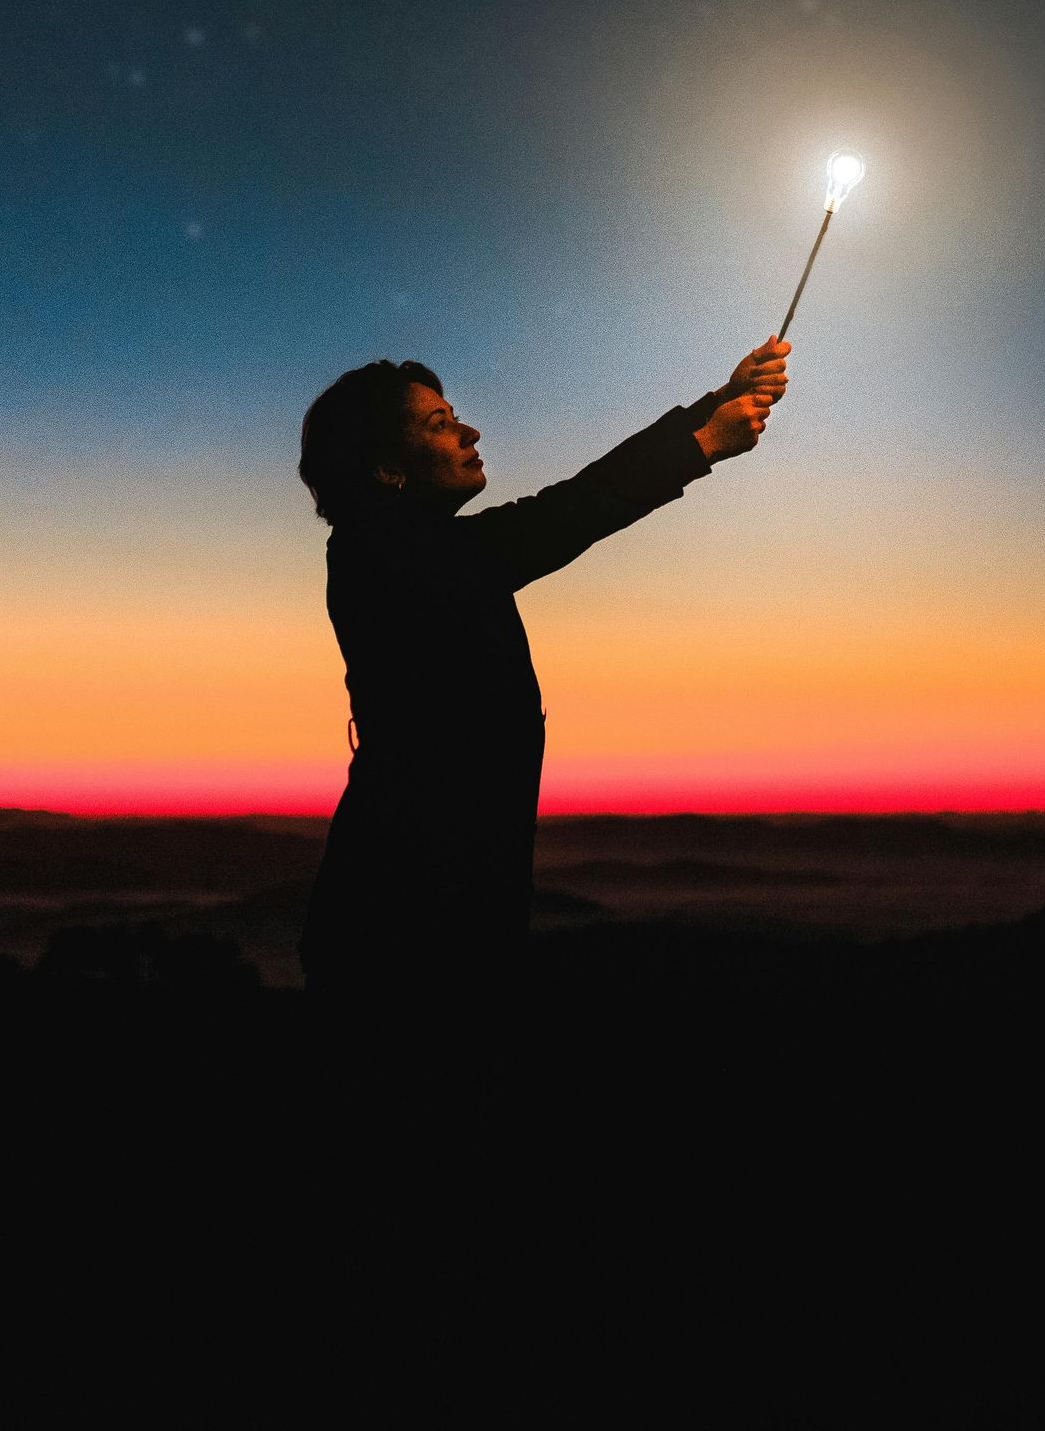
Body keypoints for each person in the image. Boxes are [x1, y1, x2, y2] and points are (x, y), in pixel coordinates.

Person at [294, 337, 790, 1021]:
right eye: (440, 425)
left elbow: (558, 510)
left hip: (429, 919)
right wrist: (702, 442)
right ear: (386, 469)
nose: (470, 431)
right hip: (405, 935)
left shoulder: (407, 550)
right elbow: (562, 515)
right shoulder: (384, 557)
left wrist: (717, 405)